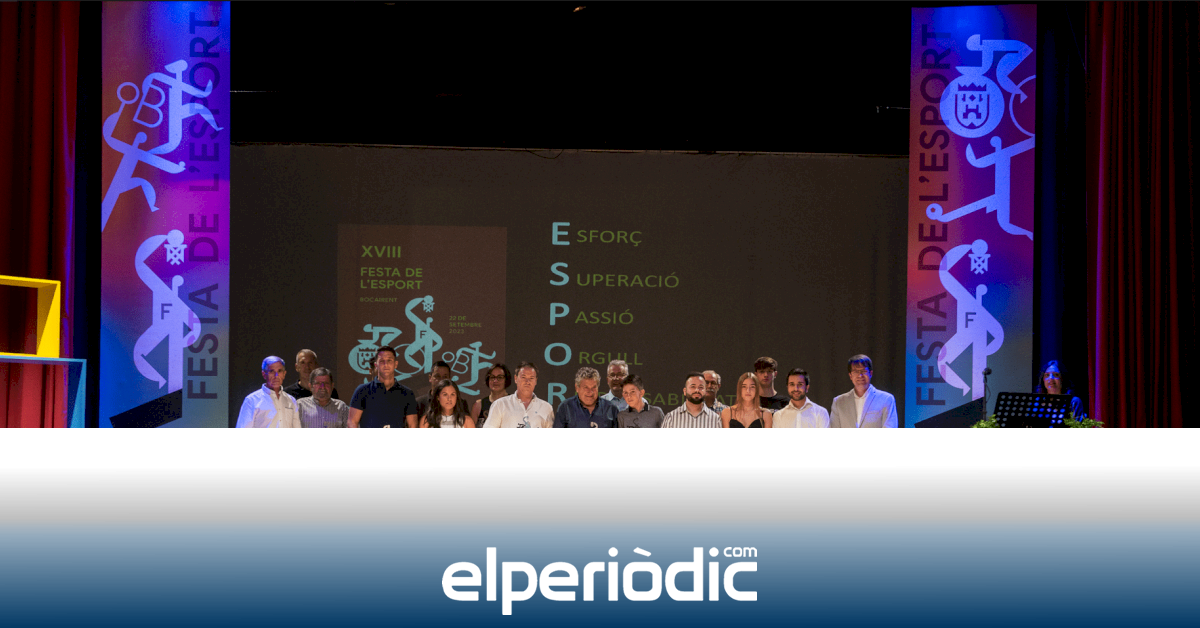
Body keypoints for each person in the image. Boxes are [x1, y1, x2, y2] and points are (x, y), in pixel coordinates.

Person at [348, 346, 418, 428]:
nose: (386, 364)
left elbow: (413, 425)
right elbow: (352, 422)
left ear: (396, 364)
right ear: (376, 365)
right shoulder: (362, 391)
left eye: (389, 360)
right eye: (381, 361)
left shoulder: (407, 393)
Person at [830, 354, 898, 428]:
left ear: (871, 373)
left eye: (864, 371)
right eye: (856, 372)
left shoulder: (886, 399)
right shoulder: (838, 402)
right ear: (850, 375)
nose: (860, 375)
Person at [481, 362, 555, 428]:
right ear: (515, 378)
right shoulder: (500, 404)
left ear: (535, 381)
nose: (527, 381)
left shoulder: (546, 408)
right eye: (523, 377)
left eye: (531, 378)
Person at [235, 356, 301, 428]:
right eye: (272, 371)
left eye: (279, 371)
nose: (276, 376)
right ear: (264, 374)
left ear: (284, 374)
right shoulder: (252, 400)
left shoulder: (291, 401)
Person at [554, 367, 619, 428]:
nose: (590, 392)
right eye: (586, 387)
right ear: (577, 388)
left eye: (594, 387)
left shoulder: (611, 409)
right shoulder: (565, 408)